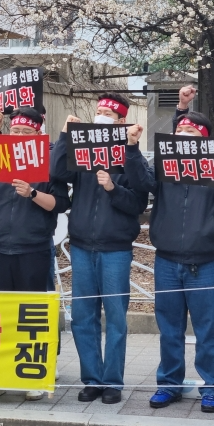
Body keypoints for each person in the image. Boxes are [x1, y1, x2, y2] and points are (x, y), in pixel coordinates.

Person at [53, 94, 152, 405]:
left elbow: (139, 200)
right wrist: (65, 136)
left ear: (121, 120)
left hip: (115, 249)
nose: (103, 116)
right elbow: (58, 173)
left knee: (116, 318)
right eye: (99, 111)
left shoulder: (130, 154)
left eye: (109, 112)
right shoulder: (83, 147)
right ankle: (92, 379)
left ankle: (113, 381)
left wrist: (113, 188)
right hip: (81, 245)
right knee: (83, 316)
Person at [0, 108, 71, 401]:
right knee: (1, 313)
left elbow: (59, 204)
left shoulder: (48, 162)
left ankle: (36, 373)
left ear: (39, 134)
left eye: (27, 132)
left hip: (34, 248)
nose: (20, 136)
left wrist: (33, 194)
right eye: (16, 131)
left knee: (33, 314)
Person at [146, 112, 214, 414]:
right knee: (169, 328)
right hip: (167, 260)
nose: (185, 135)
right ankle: (169, 383)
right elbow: (140, 182)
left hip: (205, 262)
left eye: (192, 131)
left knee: (207, 328)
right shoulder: (162, 165)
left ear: (206, 140)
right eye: (180, 130)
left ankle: (212, 387)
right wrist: (133, 149)